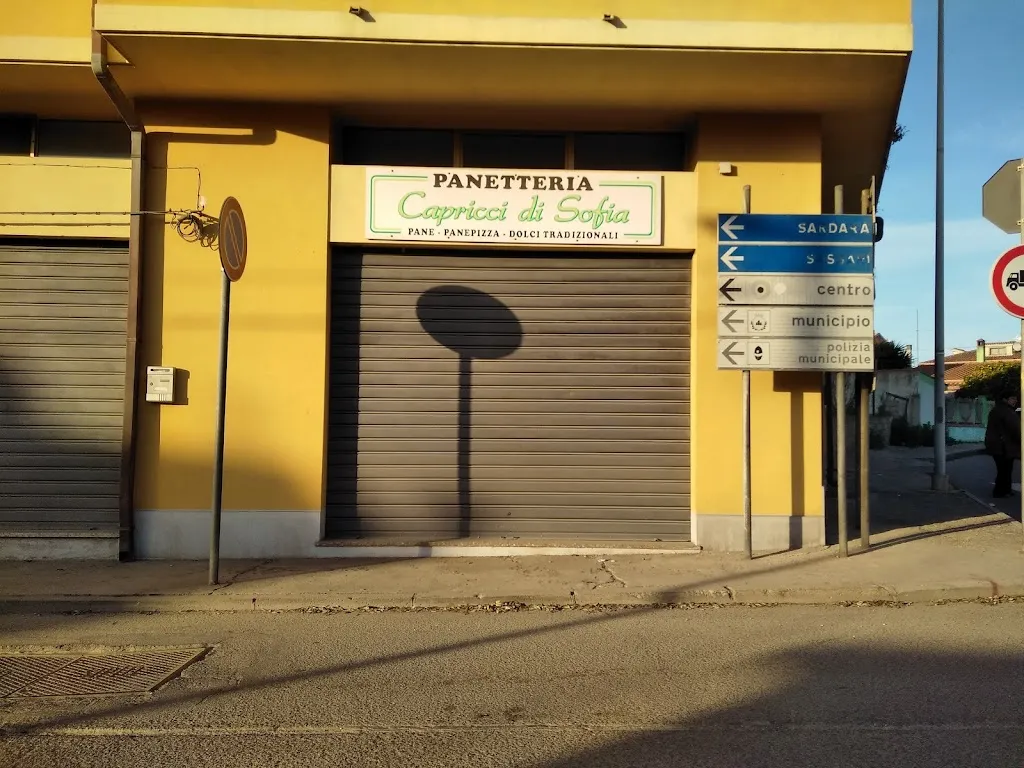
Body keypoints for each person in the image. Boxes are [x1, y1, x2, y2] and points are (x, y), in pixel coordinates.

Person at [984, 391, 1021, 498]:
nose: (1015, 401)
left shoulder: (996, 410)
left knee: (1004, 469)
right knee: (1005, 469)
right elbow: (1015, 429)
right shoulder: (1007, 412)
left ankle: (1005, 490)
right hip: (1004, 446)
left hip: (997, 445)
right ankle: (1000, 491)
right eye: (1013, 398)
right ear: (1005, 399)